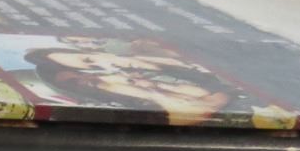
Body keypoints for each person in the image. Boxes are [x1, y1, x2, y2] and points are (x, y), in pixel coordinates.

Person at [24, 47, 246, 124]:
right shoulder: (157, 101)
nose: (104, 69)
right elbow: (205, 107)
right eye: (90, 83)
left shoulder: (151, 51)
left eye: (90, 61)